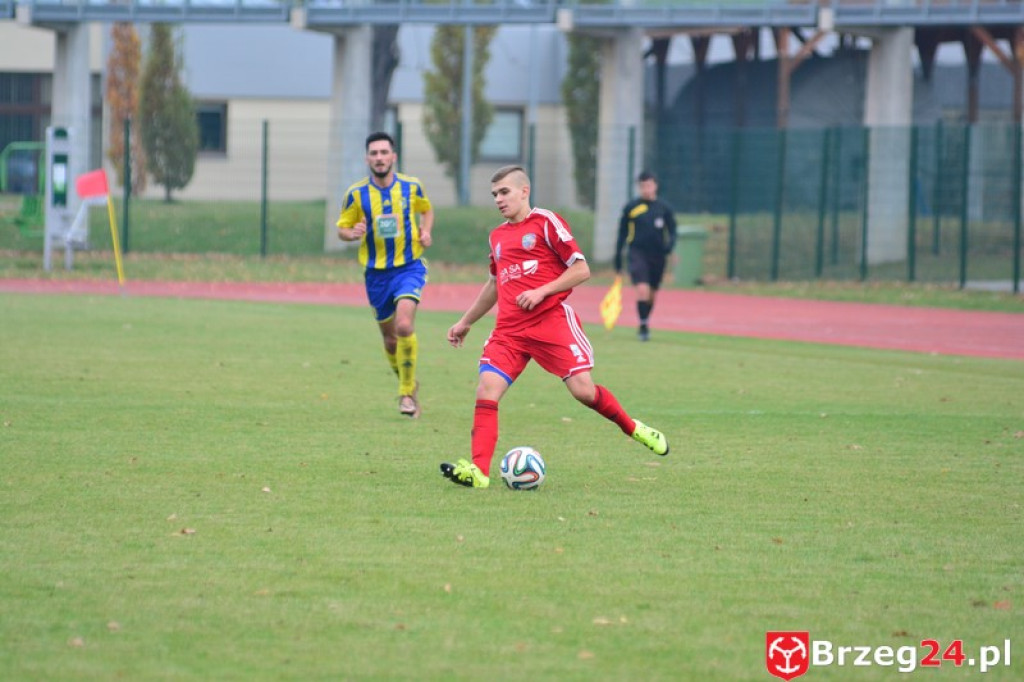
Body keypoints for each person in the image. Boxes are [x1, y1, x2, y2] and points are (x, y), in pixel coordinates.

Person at [440, 165, 669, 489]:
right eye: (494, 195)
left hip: (551, 324)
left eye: (504, 192)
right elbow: (494, 284)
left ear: (524, 191)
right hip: (509, 331)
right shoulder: (497, 236)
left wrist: (542, 290)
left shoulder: (547, 222)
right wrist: (465, 322)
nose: (498, 200)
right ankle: (479, 472)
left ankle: (633, 427)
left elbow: (581, 269)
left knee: (584, 392)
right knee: (486, 390)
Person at [337, 132, 434, 418]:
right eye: (374, 153)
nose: (379, 158)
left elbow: (426, 210)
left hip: (409, 266)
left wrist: (426, 231)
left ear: (393, 156)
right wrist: (350, 233)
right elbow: (341, 228)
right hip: (376, 274)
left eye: (384, 152)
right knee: (391, 340)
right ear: (368, 159)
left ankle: (405, 394)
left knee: (404, 326)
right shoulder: (356, 194)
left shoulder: (412, 186)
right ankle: (409, 384)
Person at [614, 170, 677, 342]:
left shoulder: (664, 208)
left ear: (655, 186)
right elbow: (622, 233)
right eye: (642, 186)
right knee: (642, 289)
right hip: (637, 253)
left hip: (658, 256)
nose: (646, 189)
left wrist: (669, 248)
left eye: (649, 185)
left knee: (652, 294)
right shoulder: (632, 208)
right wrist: (618, 257)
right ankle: (643, 326)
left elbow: (672, 231)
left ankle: (645, 320)